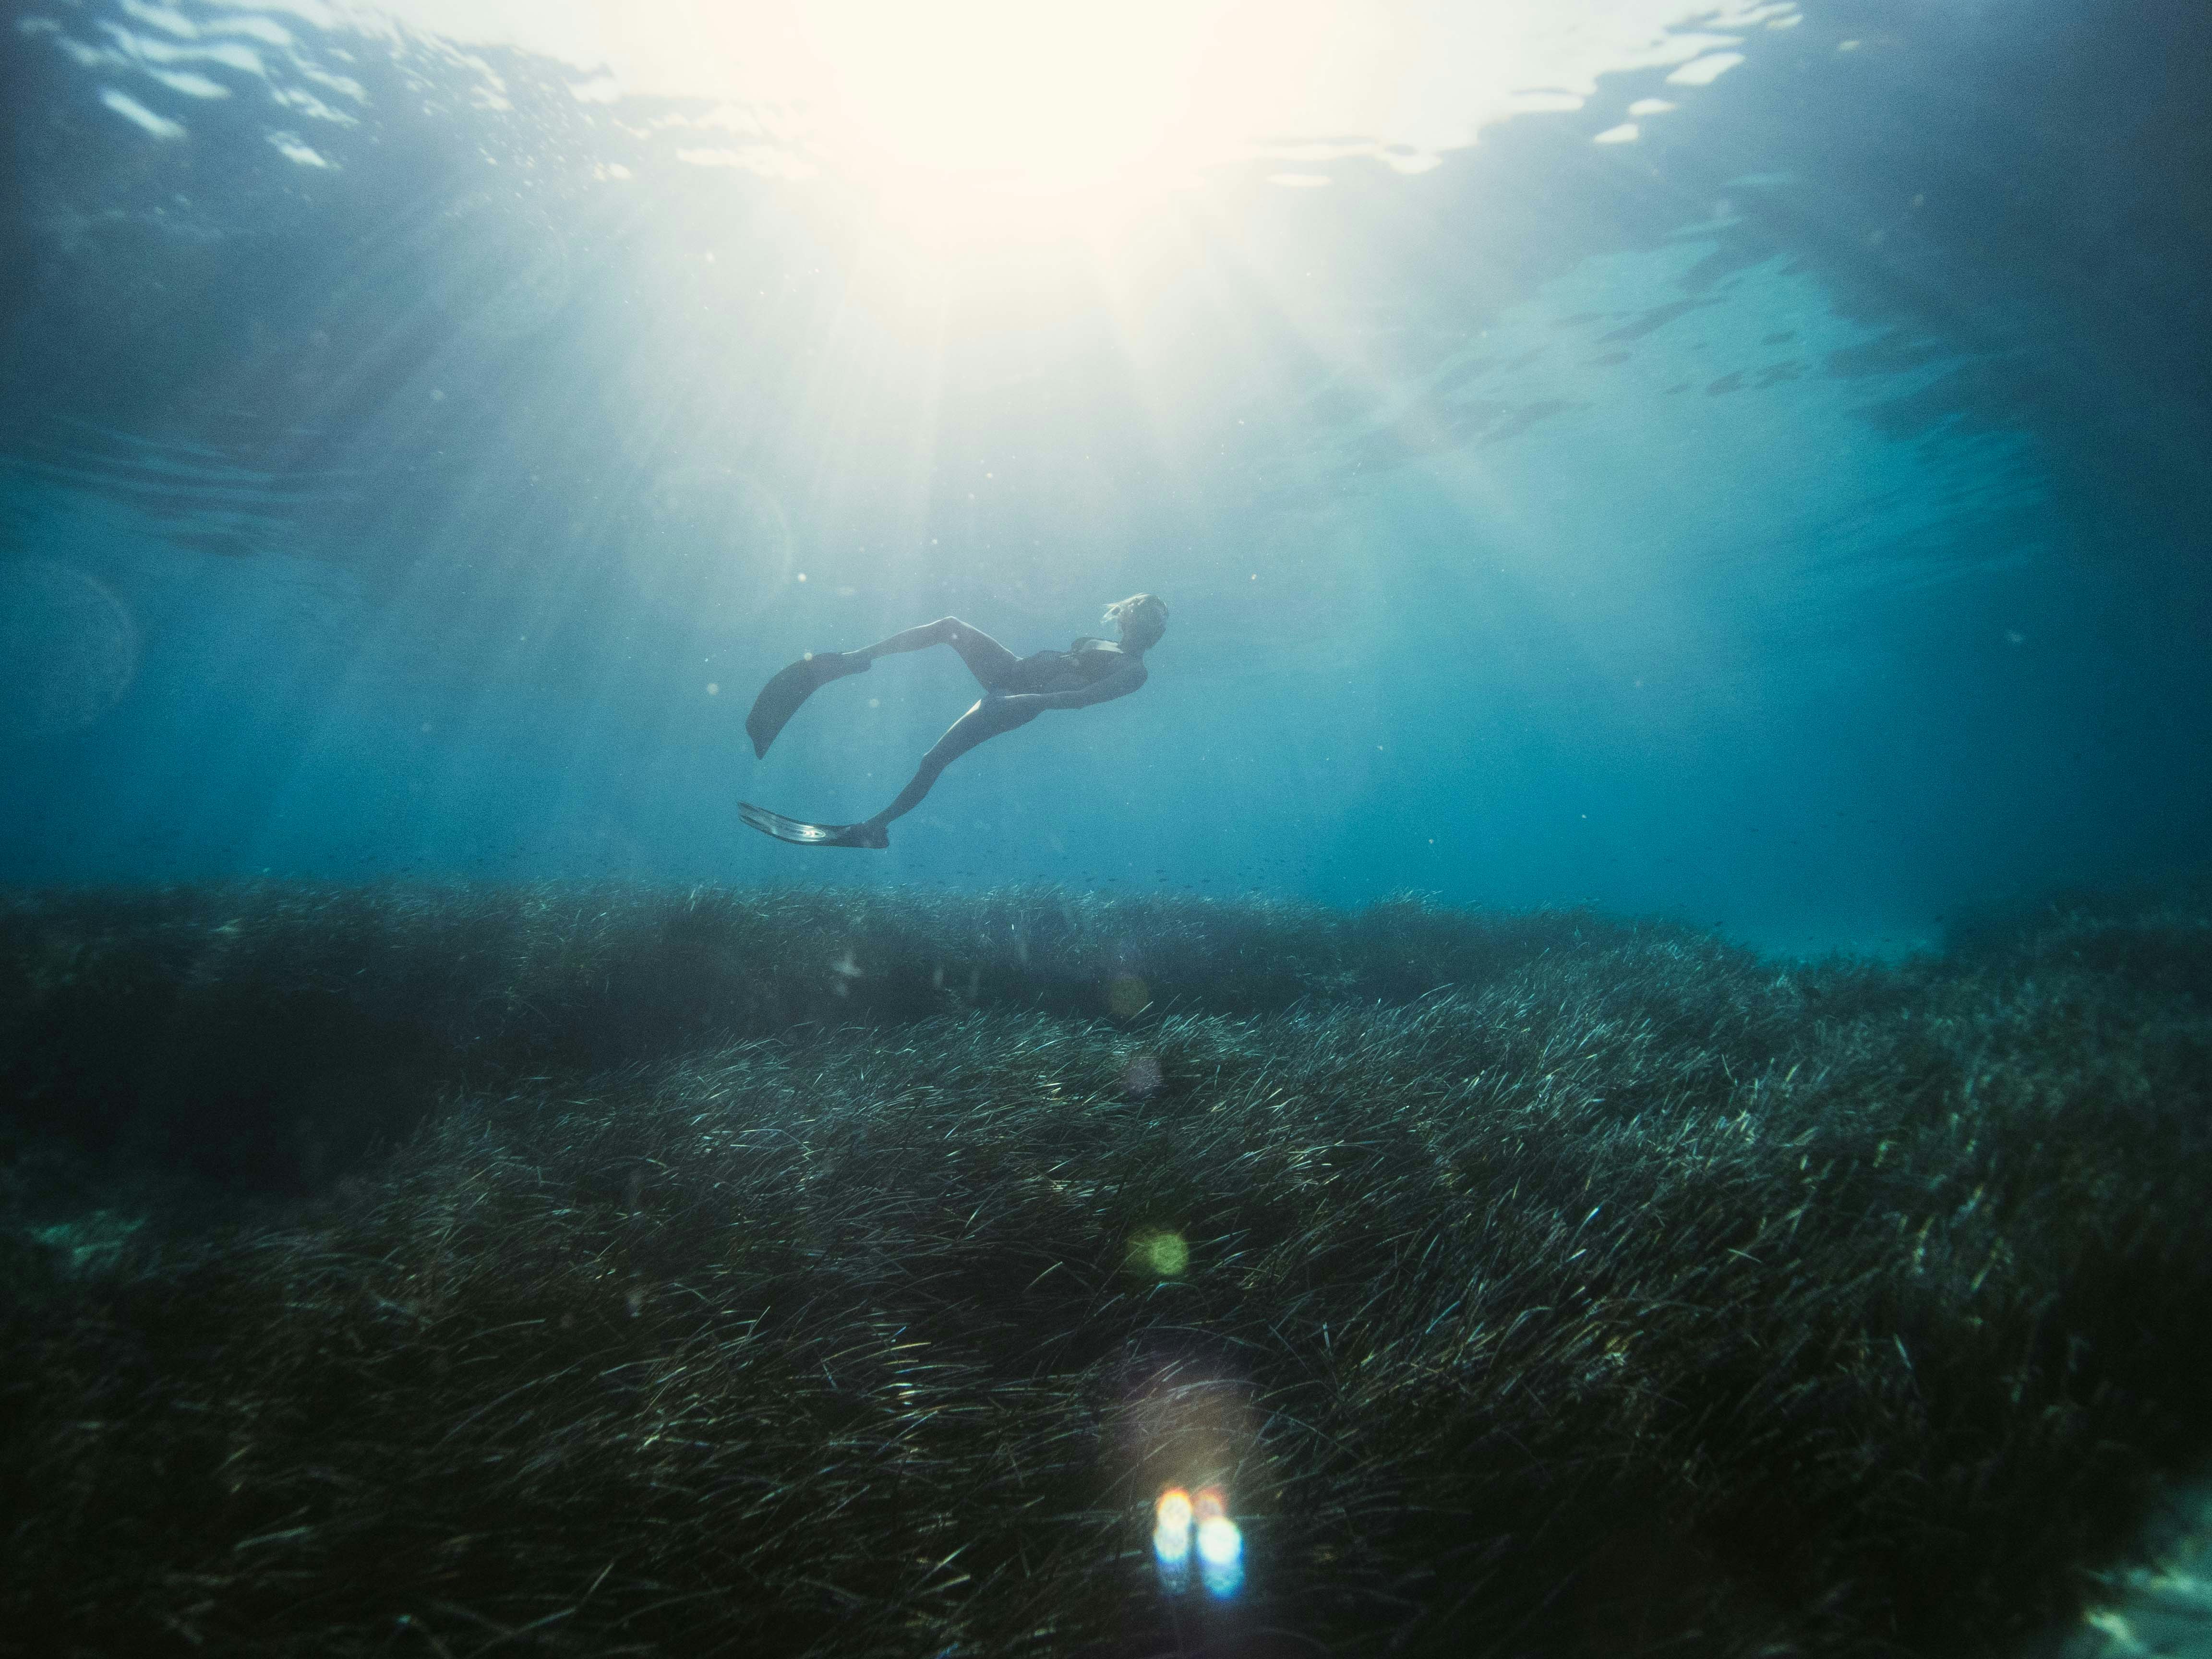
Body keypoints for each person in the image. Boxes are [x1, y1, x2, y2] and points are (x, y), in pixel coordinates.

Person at [738, 593, 1167, 849]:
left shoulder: (1134, 670)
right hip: (1013, 672)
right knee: (950, 626)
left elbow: (1081, 699)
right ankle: (854, 660)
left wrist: (1022, 698)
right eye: (1138, 612)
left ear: (1150, 629)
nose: (1137, 618)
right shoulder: (1105, 644)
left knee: (932, 760)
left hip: (1015, 700)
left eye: (1147, 617)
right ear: (1128, 615)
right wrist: (1020, 683)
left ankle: (875, 828)